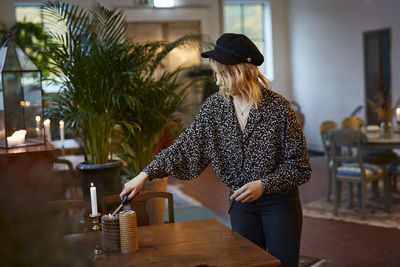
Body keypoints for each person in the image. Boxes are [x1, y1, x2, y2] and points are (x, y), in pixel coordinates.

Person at [120, 33, 311, 267]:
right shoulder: (214, 108)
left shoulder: (279, 108)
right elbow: (185, 146)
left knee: (284, 264)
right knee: (247, 264)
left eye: (223, 75)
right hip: (241, 204)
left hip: (280, 204)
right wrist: (144, 175)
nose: (217, 81)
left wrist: (264, 185)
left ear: (243, 72)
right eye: (216, 75)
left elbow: (299, 166)